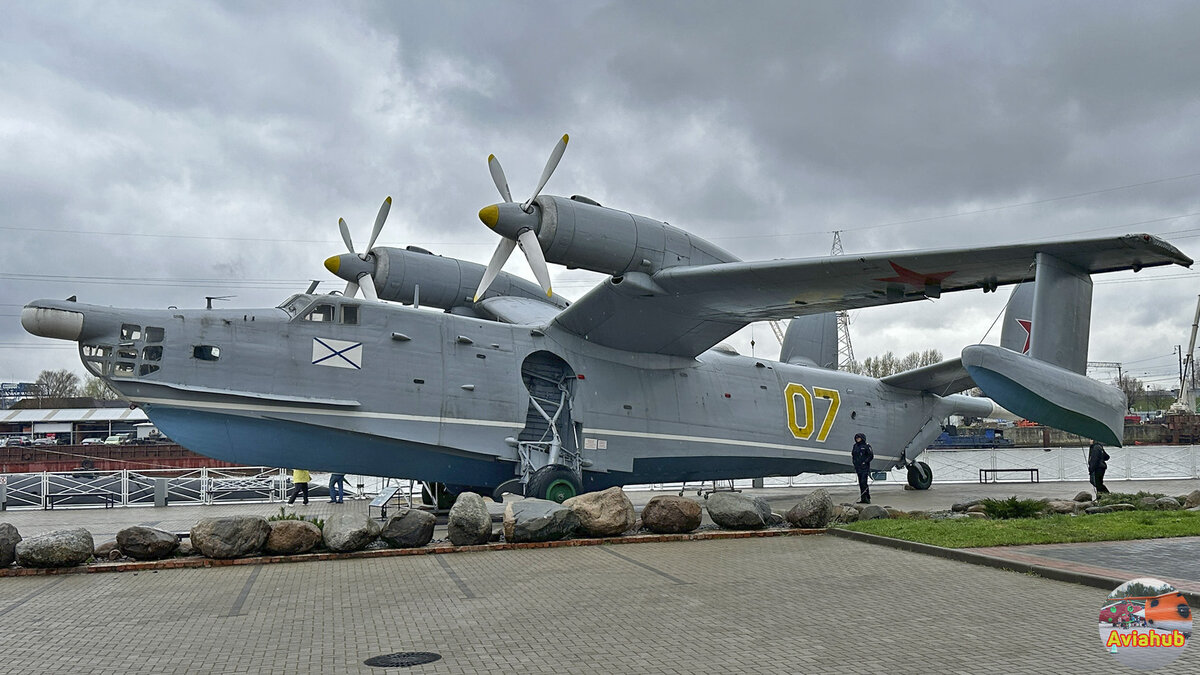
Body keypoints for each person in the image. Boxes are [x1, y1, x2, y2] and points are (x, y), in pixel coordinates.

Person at [851, 433, 874, 504]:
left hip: (864, 467)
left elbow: (871, 456)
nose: (858, 439)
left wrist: (865, 462)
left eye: (859, 438)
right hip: (858, 467)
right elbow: (853, 455)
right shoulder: (855, 446)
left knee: (864, 483)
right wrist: (854, 463)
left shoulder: (867, 446)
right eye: (857, 438)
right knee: (861, 483)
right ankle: (863, 498)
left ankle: (867, 498)